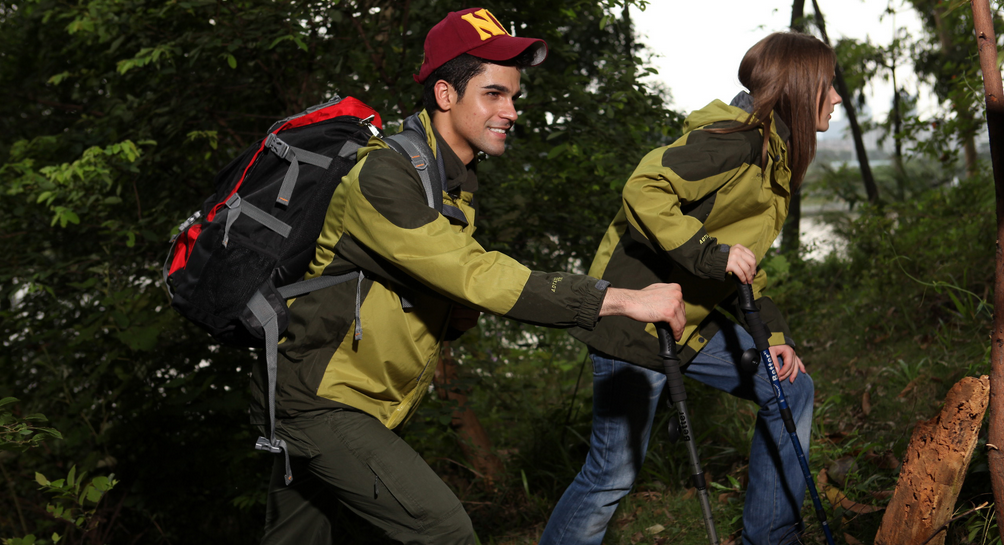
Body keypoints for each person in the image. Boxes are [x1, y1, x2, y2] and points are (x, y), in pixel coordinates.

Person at [248, 7, 687, 545]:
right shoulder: (385, 175)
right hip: (322, 401)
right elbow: (473, 272)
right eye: (494, 94)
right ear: (446, 95)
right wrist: (620, 299)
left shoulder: (448, 179)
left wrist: (454, 317)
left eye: (515, 97)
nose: (511, 111)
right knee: (445, 530)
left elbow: (433, 287)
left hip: (336, 396)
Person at [539, 32, 842, 545]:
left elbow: (744, 261)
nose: (836, 97)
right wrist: (709, 254)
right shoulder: (736, 141)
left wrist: (773, 334)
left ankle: (770, 537)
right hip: (634, 320)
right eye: (830, 85)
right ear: (800, 86)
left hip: (690, 323)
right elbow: (644, 187)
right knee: (611, 475)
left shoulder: (773, 156)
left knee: (789, 387)